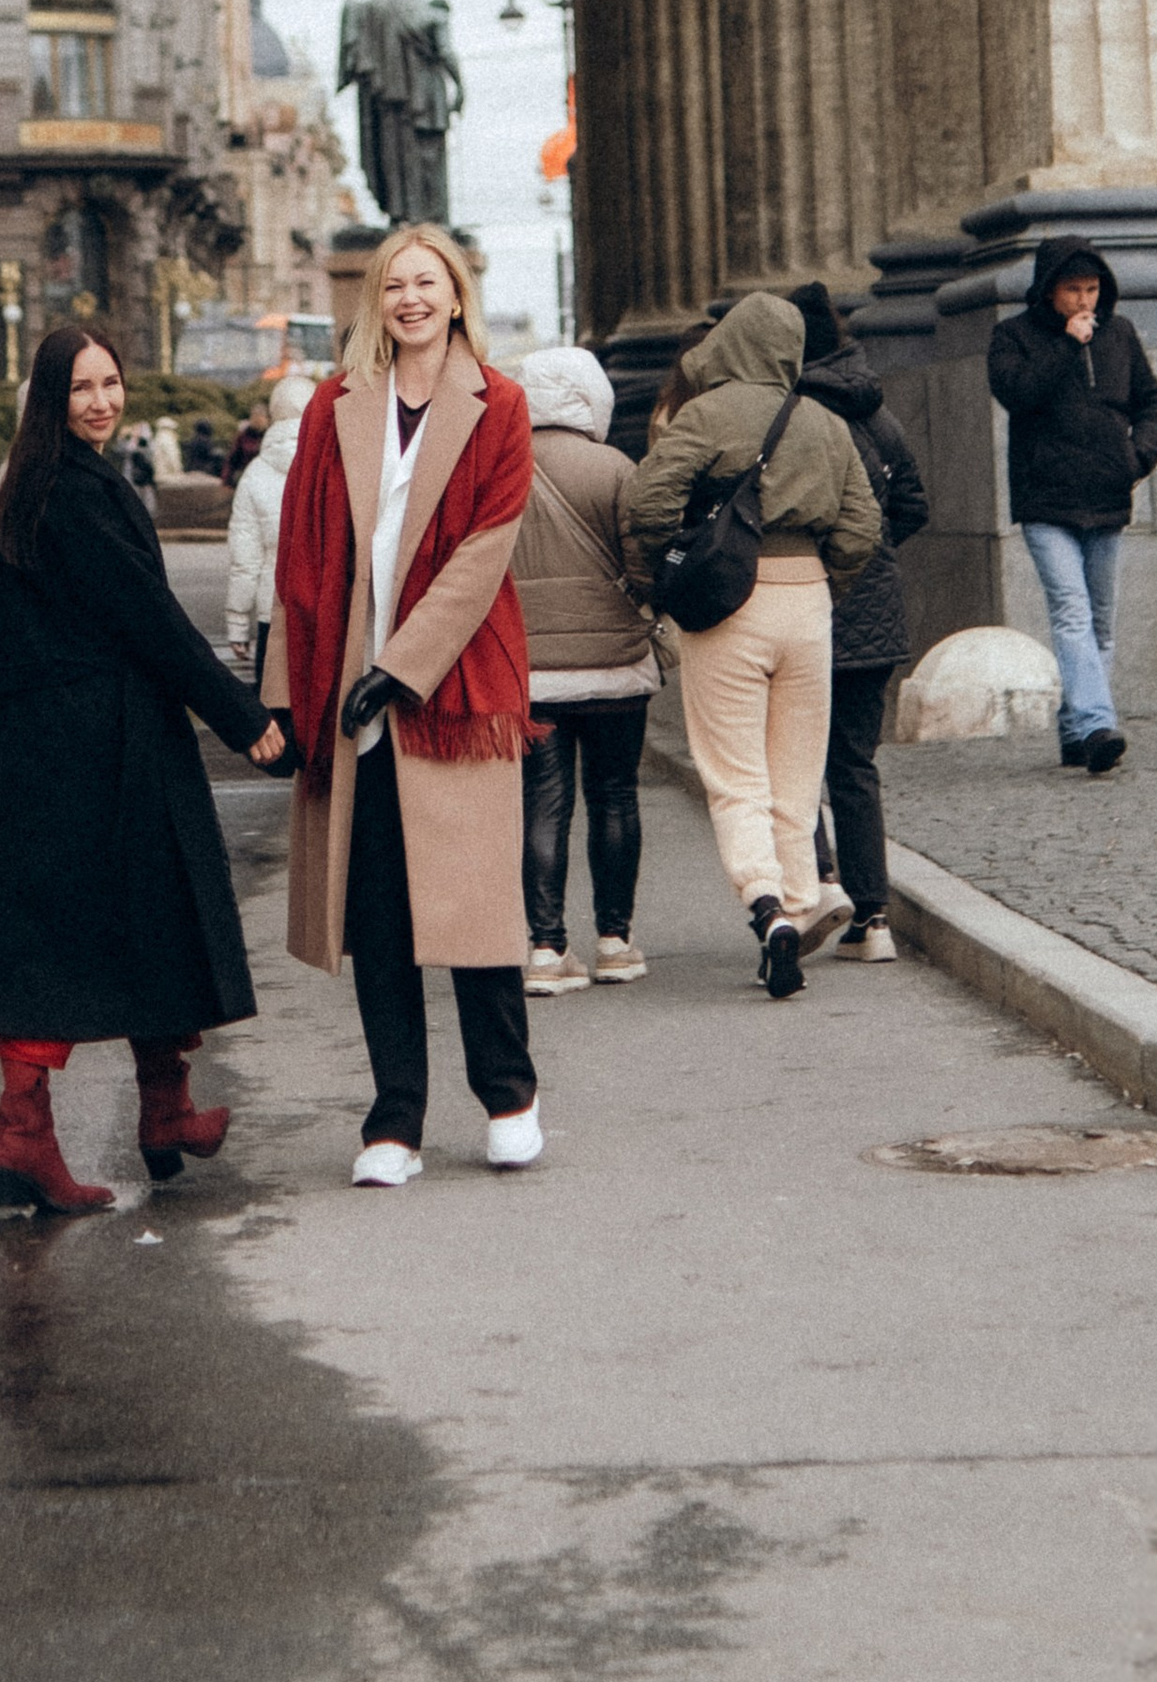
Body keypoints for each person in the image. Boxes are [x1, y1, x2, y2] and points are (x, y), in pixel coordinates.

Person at [0, 323, 288, 1211]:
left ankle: (165, 1112)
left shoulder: (49, 480)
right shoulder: (71, 490)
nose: (101, 401)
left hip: (80, 741)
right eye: (81, 389)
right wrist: (244, 717)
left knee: (147, 909)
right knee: (61, 936)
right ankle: (24, 1138)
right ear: (51, 401)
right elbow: (146, 617)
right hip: (91, 746)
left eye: (110, 383)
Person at [269, 224, 542, 1185]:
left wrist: (404, 665)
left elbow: (485, 553)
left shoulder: (500, 404)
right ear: (375, 302)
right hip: (349, 690)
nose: (410, 299)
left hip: (456, 686)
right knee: (377, 915)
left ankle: (508, 1095)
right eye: (394, 285)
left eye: (427, 283)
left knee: (472, 911)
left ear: (457, 297)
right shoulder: (336, 406)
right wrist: (284, 696)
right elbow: (297, 559)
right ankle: (394, 1121)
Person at [625, 293, 880, 1000]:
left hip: (728, 602)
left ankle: (767, 909)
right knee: (797, 775)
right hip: (808, 601)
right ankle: (804, 899)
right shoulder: (826, 422)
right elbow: (863, 525)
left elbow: (645, 501)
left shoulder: (705, 414)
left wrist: (661, 572)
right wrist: (826, 582)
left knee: (735, 773)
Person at [986, 234, 1157, 777]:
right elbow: (1017, 393)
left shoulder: (1121, 335)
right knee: (1072, 611)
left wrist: (1137, 456)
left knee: (1102, 623)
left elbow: (1151, 401)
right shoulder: (1012, 337)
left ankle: (1074, 731)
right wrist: (1066, 344)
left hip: (1107, 494)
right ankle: (1095, 724)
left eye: (1091, 289)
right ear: (1048, 292)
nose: (1085, 301)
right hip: (1047, 500)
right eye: (1073, 290)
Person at [512, 345, 660, 993]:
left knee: (543, 804)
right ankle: (615, 941)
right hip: (615, 665)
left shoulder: (498, 469)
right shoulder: (616, 467)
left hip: (532, 669)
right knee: (615, 796)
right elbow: (645, 568)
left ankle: (546, 948)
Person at [789, 285, 930, 960]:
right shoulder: (876, 412)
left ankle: (821, 886)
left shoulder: (789, 414)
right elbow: (913, 504)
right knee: (855, 765)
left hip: (804, 605)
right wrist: (869, 559)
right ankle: (873, 920)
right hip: (873, 613)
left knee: (796, 764)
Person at [222, 370, 313, 681]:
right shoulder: (335, 463)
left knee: (273, 710)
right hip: (324, 609)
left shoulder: (255, 474)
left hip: (269, 607)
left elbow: (244, 560)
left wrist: (237, 622)